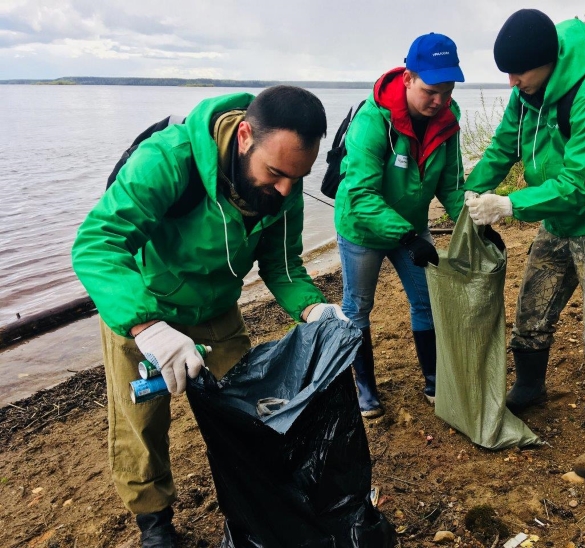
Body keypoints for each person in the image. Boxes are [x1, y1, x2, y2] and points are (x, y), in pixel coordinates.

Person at [72, 86, 347, 547]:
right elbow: (96, 245)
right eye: (276, 173)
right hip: (143, 306)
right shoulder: (169, 159)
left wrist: (312, 306)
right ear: (244, 136)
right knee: (141, 424)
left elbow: (282, 266)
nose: (284, 190)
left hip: (217, 310)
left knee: (248, 410)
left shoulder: (285, 186)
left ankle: (250, 505)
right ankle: (154, 521)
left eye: (294, 179)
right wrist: (147, 326)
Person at [464, 10, 585, 481]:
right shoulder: (527, 93)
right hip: (558, 220)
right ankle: (529, 388)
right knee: (532, 309)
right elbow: (503, 145)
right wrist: (473, 193)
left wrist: (508, 205)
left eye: (518, 72)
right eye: (507, 72)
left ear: (547, 62)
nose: (511, 81)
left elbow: (579, 183)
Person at [334, 33, 466, 418]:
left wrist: (471, 224)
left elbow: (452, 183)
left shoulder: (448, 117)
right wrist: (408, 236)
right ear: (408, 78)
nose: (439, 100)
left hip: (410, 225)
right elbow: (360, 195)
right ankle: (364, 390)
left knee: (426, 300)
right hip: (361, 229)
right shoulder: (372, 123)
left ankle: (434, 380)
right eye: (430, 90)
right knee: (358, 307)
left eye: (448, 89)